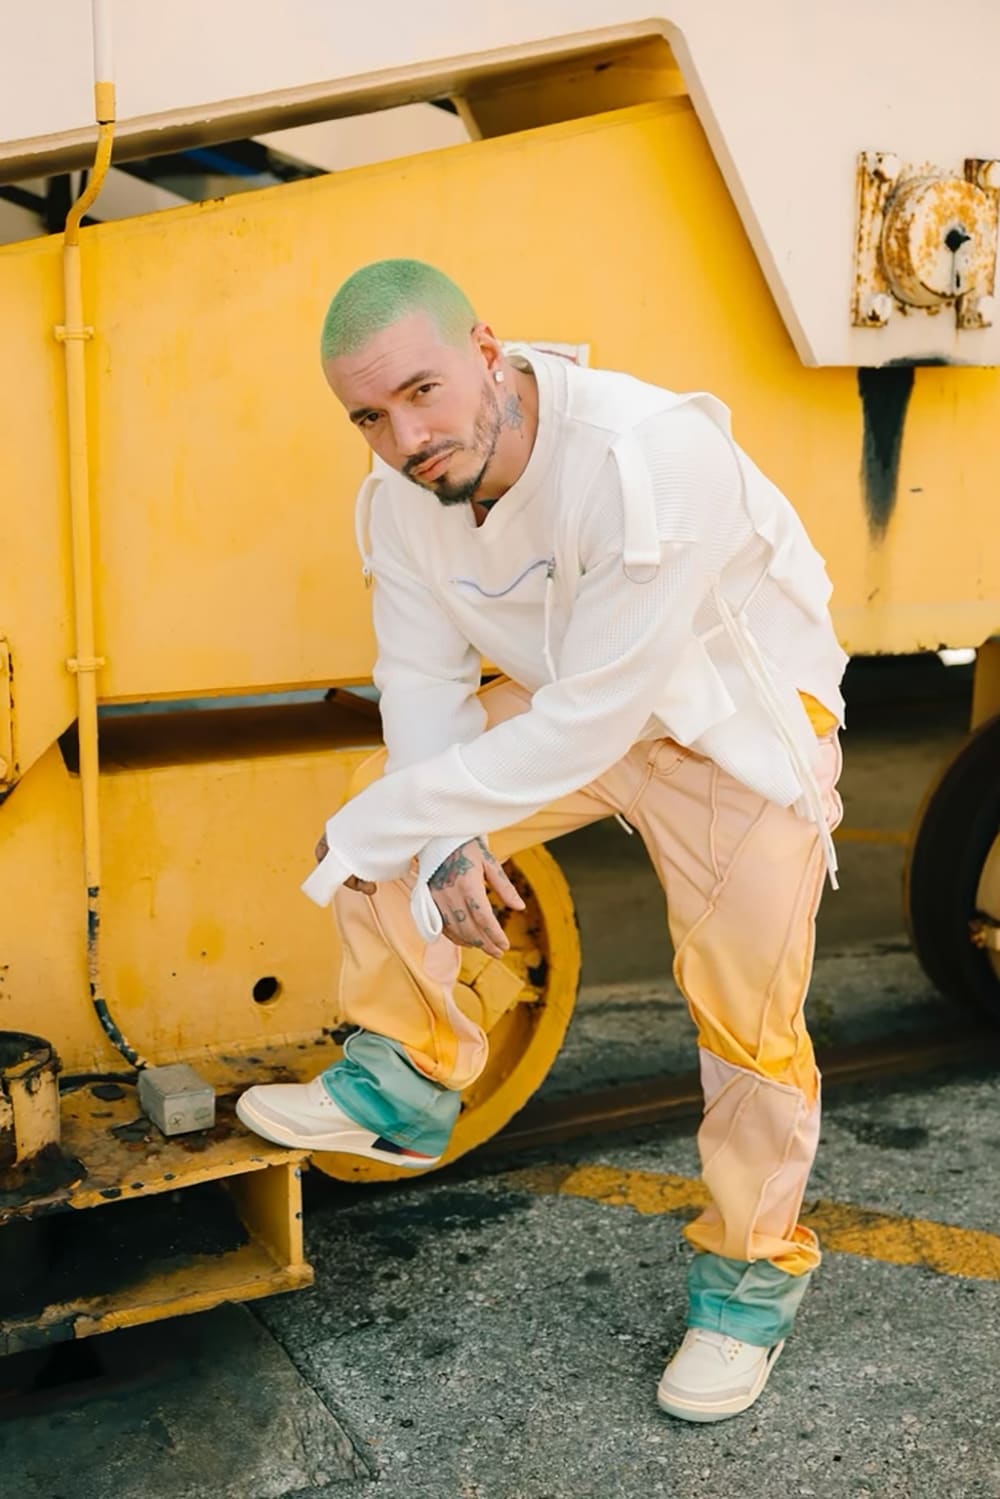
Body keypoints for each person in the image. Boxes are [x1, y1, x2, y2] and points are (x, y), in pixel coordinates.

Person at [236, 258, 847, 1423]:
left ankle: (747, 1286)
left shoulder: (642, 451)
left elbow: (591, 718)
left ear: (486, 347)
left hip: (730, 725)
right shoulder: (398, 501)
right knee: (394, 792)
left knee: (748, 1022)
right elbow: (418, 680)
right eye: (367, 415)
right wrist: (440, 833)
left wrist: (414, 822)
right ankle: (407, 1077)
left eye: (421, 391)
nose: (402, 435)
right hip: (586, 705)